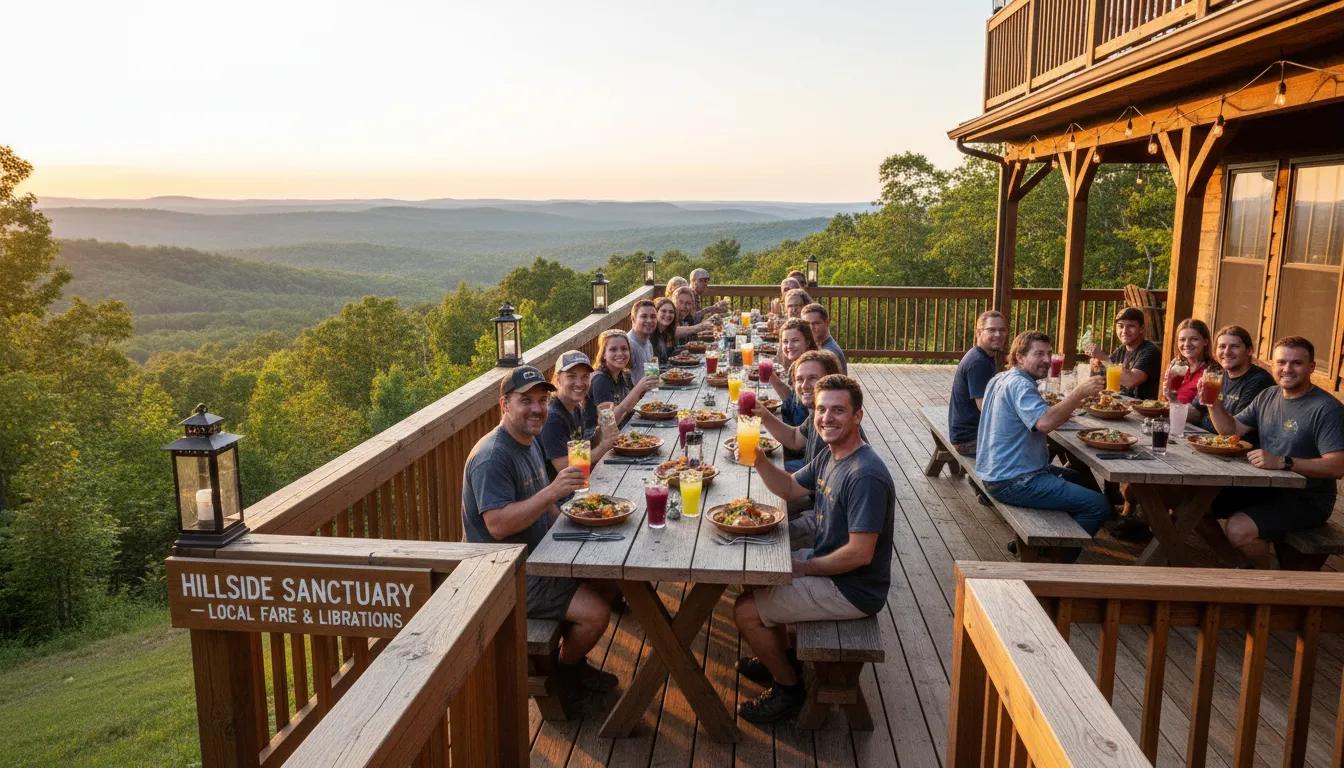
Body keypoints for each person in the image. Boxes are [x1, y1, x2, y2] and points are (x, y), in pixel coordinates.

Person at [733, 374, 895, 724]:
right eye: (822, 409)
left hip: (853, 589)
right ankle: (782, 657)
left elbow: (859, 554)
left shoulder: (864, 474)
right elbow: (790, 489)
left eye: (839, 410)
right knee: (755, 575)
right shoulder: (832, 454)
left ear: (858, 417)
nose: (827, 418)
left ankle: (788, 689)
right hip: (833, 568)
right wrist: (759, 458)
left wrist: (804, 567)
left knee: (745, 611)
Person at [461, 366, 618, 701]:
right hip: (504, 574)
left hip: (540, 554)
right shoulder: (493, 457)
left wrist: (576, 522)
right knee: (597, 614)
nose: (536, 408)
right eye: (525, 401)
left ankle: (570, 665)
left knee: (609, 576)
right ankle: (565, 675)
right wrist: (552, 494)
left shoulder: (528, 439)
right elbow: (498, 525)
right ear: (504, 404)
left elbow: (544, 504)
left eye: (542, 400)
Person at [1204, 336, 1344, 566]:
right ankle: (1238, 566)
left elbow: (1338, 466)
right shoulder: (1268, 395)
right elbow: (1231, 430)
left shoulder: (1326, 409)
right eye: (1281, 362)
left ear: (1311, 367)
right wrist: (1212, 403)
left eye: (1296, 363)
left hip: (1307, 498)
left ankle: (1266, 582)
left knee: (1238, 529)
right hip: (1266, 486)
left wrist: (1283, 462)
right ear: (1273, 366)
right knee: (1196, 505)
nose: (1287, 369)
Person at [977, 331, 1111, 559]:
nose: (1047, 360)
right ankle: (1056, 564)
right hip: (1014, 480)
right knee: (1099, 505)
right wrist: (1079, 393)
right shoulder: (1021, 385)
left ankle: (1044, 544)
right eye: (1039, 354)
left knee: (1081, 480)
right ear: (1019, 357)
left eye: (1049, 353)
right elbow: (1045, 423)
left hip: (996, 470)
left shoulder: (1001, 378)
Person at [539, 351, 615, 481]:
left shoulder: (577, 408)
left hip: (579, 484)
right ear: (557, 380)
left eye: (585, 377)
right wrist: (603, 447)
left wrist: (597, 437)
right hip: (560, 495)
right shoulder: (553, 417)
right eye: (571, 376)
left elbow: (578, 453)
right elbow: (565, 467)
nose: (579, 383)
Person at [1194, 325, 1274, 434]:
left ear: (1249, 351)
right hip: (1202, 438)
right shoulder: (1216, 374)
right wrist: (1172, 404)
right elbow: (1195, 410)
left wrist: (1212, 400)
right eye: (1222, 346)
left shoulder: (1260, 381)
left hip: (1233, 446)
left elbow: (1233, 431)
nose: (1227, 352)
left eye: (1235, 346)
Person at [948, 310, 1008, 457]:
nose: (998, 335)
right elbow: (985, 407)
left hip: (969, 433)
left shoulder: (982, 355)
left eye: (1002, 330)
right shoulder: (978, 363)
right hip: (969, 440)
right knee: (1028, 444)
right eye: (992, 330)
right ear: (979, 332)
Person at [586, 329, 659, 431]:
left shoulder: (624, 375)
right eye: (613, 349)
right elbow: (607, 423)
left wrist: (643, 393)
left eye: (624, 349)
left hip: (626, 429)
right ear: (604, 354)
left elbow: (629, 409)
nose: (620, 353)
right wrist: (638, 389)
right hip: (599, 440)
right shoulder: (600, 380)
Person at [1084, 308, 1161, 399]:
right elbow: (1108, 370)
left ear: (1141, 328)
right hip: (1121, 405)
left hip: (1143, 408)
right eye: (1121, 326)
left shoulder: (1150, 351)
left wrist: (1102, 357)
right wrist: (1097, 364)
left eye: (1131, 326)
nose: (1124, 331)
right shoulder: (1122, 349)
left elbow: (1130, 381)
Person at [769, 318, 820, 427]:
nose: (789, 346)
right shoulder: (796, 365)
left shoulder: (814, 368)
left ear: (807, 343)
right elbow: (792, 399)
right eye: (785, 341)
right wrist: (771, 376)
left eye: (795, 340)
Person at [1166, 318, 1219, 405]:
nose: (1187, 344)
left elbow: (1202, 409)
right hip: (1170, 414)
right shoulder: (1176, 364)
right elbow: (1167, 398)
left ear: (1205, 342)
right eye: (1182, 340)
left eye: (1194, 339)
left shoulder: (1213, 371)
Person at [803, 302, 847, 374]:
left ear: (827, 323)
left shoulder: (830, 352)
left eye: (816, 323)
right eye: (807, 324)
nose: (811, 327)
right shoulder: (819, 346)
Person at [627, 300, 658, 384]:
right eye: (644, 316)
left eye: (653, 317)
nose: (649, 320)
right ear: (633, 319)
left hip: (649, 393)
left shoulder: (648, 342)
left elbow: (651, 376)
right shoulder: (628, 345)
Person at [651, 297, 680, 362]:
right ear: (656, 313)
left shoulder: (667, 332)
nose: (668, 314)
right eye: (663, 311)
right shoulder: (651, 335)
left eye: (671, 312)